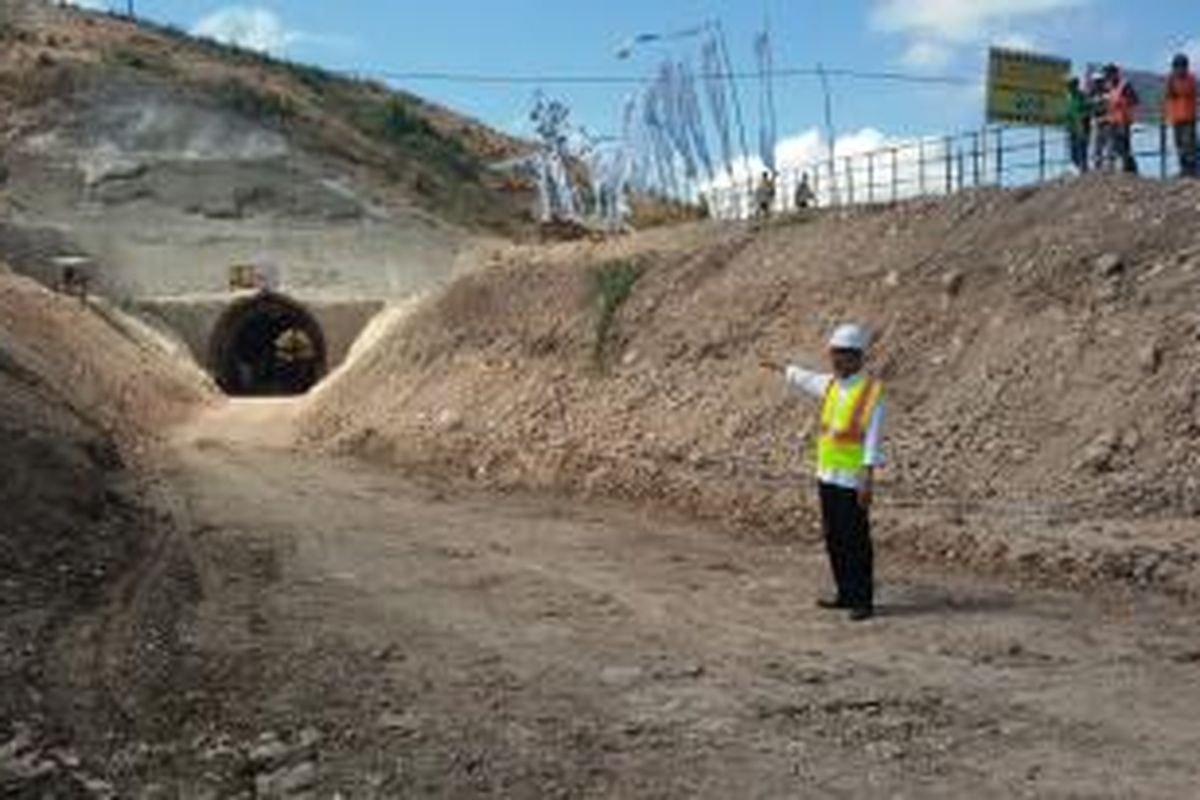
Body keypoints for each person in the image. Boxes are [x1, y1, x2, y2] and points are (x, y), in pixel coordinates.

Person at [761, 323, 885, 622]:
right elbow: (803, 377)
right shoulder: (830, 384)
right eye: (833, 355)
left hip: (852, 479)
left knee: (856, 540)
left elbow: (872, 437)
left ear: (857, 357)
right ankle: (844, 593)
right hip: (827, 475)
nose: (835, 361)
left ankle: (862, 599)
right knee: (835, 538)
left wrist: (868, 476)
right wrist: (781, 366)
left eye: (841, 356)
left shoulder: (870, 392)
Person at [1165, 53, 1198, 178]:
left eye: (1180, 67)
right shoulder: (1171, 80)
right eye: (1176, 67)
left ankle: (1192, 170)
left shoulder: (1191, 80)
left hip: (1189, 117)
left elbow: (1189, 93)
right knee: (1179, 144)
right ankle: (1184, 169)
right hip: (1176, 117)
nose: (1178, 70)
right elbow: (1168, 98)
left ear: (1186, 67)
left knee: (1189, 144)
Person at [1104, 63, 1139, 174]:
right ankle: (1124, 169)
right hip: (1112, 121)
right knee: (1116, 147)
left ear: (1115, 73)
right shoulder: (1110, 87)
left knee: (1124, 146)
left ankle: (1130, 170)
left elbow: (1135, 100)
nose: (1108, 77)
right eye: (1107, 75)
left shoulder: (1125, 85)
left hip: (1123, 120)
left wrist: (1125, 107)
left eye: (1109, 74)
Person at [1065, 77, 1091, 174]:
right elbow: (1068, 112)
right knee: (1073, 148)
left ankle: (1083, 168)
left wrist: (1083, 120)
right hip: (1072, 127)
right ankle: (1076, 167)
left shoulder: (1082, 96)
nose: (1069, 87)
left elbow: (1088, 109)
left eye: (1071, 85)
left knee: (1082, 147)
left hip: (1082, 125)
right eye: (1068, 85)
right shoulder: (1069, 97)